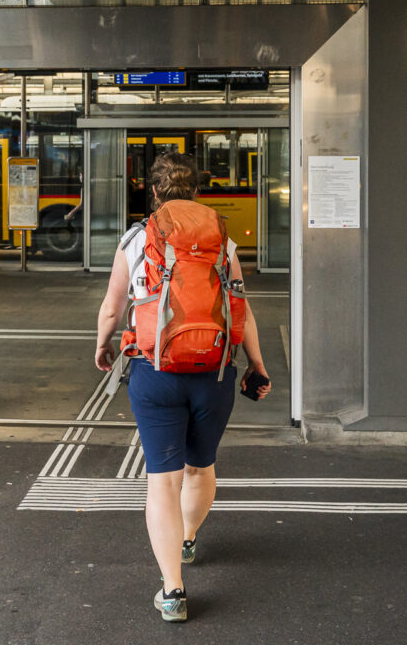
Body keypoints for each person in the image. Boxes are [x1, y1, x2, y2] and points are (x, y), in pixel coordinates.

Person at [94, 151, 270, 623]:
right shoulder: (221, 239)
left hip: (155, 372)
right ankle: (189, 538)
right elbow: (241, 308)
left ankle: (173, 590)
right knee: (200, 468)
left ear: (152, 191)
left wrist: (103, 346)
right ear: (197, 191)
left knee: (162, 481)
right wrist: (257, 363)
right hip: (214, 372)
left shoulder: (136, 238)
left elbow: (113, 307)